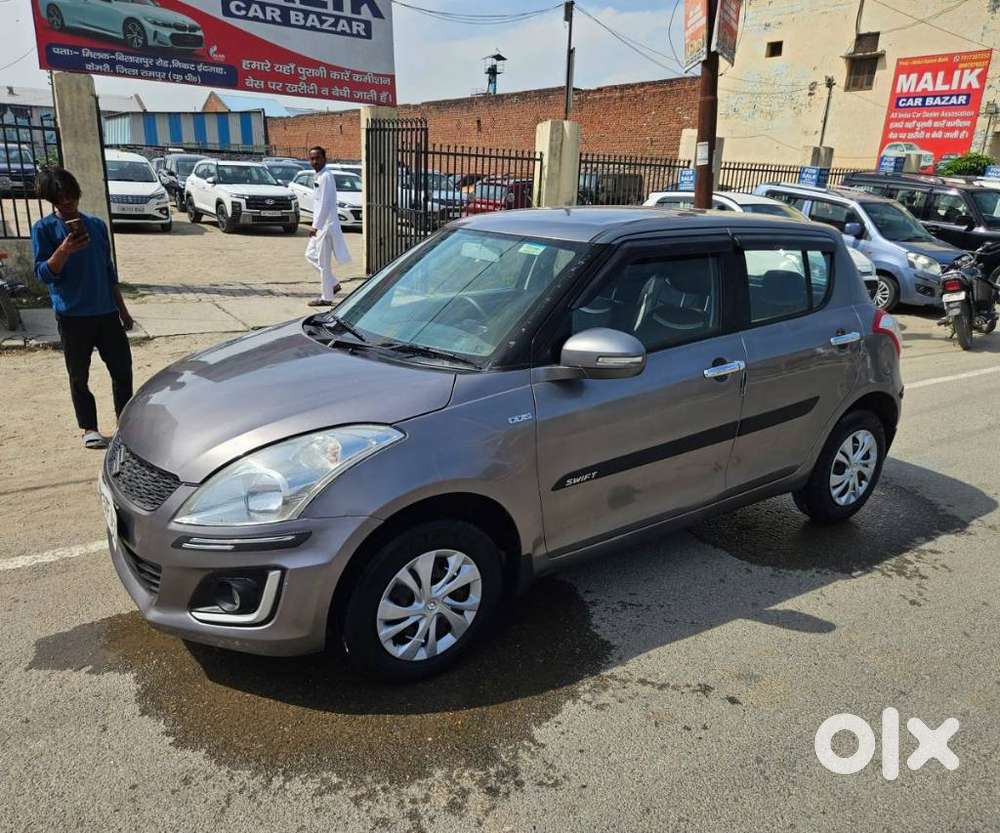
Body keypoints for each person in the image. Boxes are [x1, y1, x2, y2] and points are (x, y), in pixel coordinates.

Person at [31, 167, 134, 450]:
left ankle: (125, 425)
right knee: (79, 375)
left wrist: (123, 311)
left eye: (71, 197)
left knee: (122, 370)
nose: (68, 204)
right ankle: (89, 427)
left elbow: (108, 272)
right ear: (52, 201)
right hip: (72, 315)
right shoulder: (43, 229)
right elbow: (42, 273)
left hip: (106, 313)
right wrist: (62, 251)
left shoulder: (97, 226)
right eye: (61, 200)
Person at [304, 145, 352, 307]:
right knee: (310, 255)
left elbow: (325, 203)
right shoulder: (319, 175)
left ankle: (327, 297)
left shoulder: (326, 177)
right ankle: (332, 284)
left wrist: (315, 226)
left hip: (325, 227)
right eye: (312, 158)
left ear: (325, 159)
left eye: (317, 158)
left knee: (323, 263)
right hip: (320, 225)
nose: (314, 161)